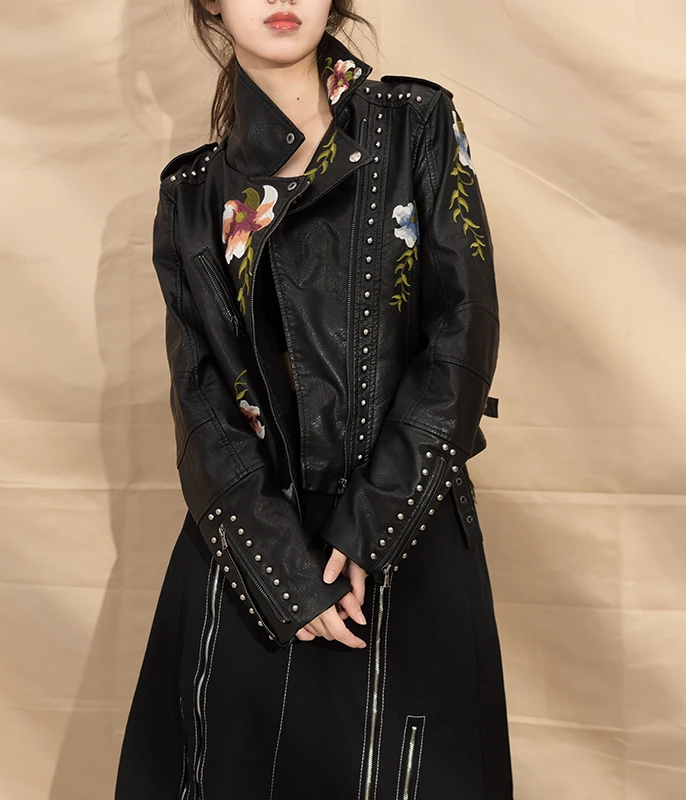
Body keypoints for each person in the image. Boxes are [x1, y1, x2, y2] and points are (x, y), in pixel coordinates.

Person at [115, 1, 513, 798]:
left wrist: (371, 526)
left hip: (407, 534)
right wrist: (284, 574)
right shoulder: (191, 195)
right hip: (252, 557)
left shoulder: (416, 123)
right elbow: (200, 403)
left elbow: (462, 335)